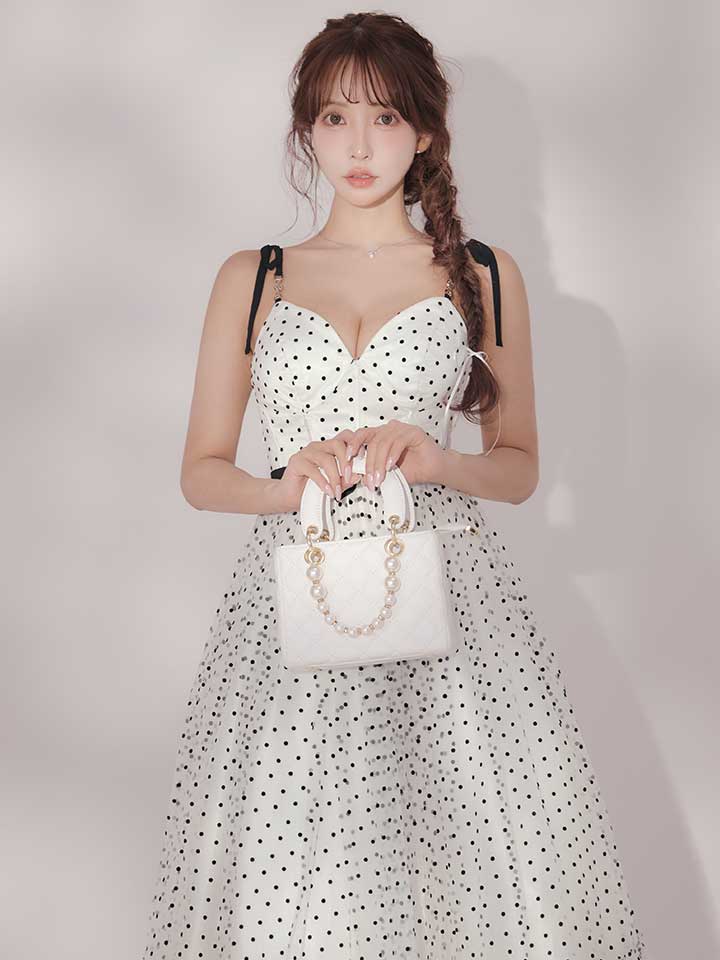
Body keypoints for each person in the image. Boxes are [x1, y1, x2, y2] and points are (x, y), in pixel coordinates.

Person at [142, 12, 645, 959]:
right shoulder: (253, 277)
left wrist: (438, 461)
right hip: (292, 599)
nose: (360, 146)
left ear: (424, 131)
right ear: (307, 131)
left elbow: (520, 465)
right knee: (298, 880)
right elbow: (200, 473)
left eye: (383, 117)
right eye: (335, 119)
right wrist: (284, 486)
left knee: (464, 869)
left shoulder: (482, 274)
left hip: (450, 598)